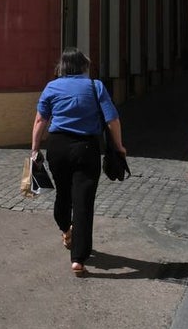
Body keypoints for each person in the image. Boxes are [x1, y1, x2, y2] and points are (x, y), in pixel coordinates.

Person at [31, 48, 125, 276]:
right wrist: (119, 146)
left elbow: (40, 120)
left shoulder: (52, 87)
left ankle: (66, 229)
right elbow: (112, 120)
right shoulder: (95, 86)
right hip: (86, 148)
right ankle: (78, 259)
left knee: (63, 193)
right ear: (83, 67)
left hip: (58, 146)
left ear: (62, 67)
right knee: (83, 201)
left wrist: (34, 149)